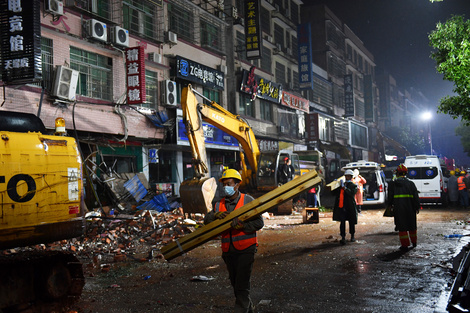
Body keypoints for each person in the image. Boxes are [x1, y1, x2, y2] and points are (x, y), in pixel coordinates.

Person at [204, 169, 264, 313]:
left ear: (237, 185)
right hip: (228, 250)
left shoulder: (247, 200)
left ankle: (240, 310)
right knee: (235, 282)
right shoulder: (219, 204)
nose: (226, 187)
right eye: (224, 184)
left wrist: (244, 226)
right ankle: (248, 308)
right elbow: (206, 220)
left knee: (241, 284)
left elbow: (259, 223)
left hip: (245, 249)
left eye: (229, 184)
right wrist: (215, 215)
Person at [386, 164, 420, 252]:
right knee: (412, 225)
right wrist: (417, 207)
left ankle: (405, 245)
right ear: (406, 173)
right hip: (410, 207)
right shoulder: (411, 183)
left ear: (397, 173)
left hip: (398, 208)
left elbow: (390, 197)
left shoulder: (393, 184)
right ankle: (414, 242)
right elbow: (415, 196)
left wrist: (389, 206)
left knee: (402, 226)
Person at [332, 169, 358, 244]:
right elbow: (333, 193)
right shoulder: (341, 185)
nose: (347, 177)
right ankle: (343, 237)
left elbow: (352, 193)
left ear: (351, 177)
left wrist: (345, 188)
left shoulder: (353, 185)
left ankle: (352, 236)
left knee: (351, 222)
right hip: (342, 206)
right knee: (342, 222)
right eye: (346, 176)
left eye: (349, 176)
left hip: (350, 207)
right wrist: (335, 184)